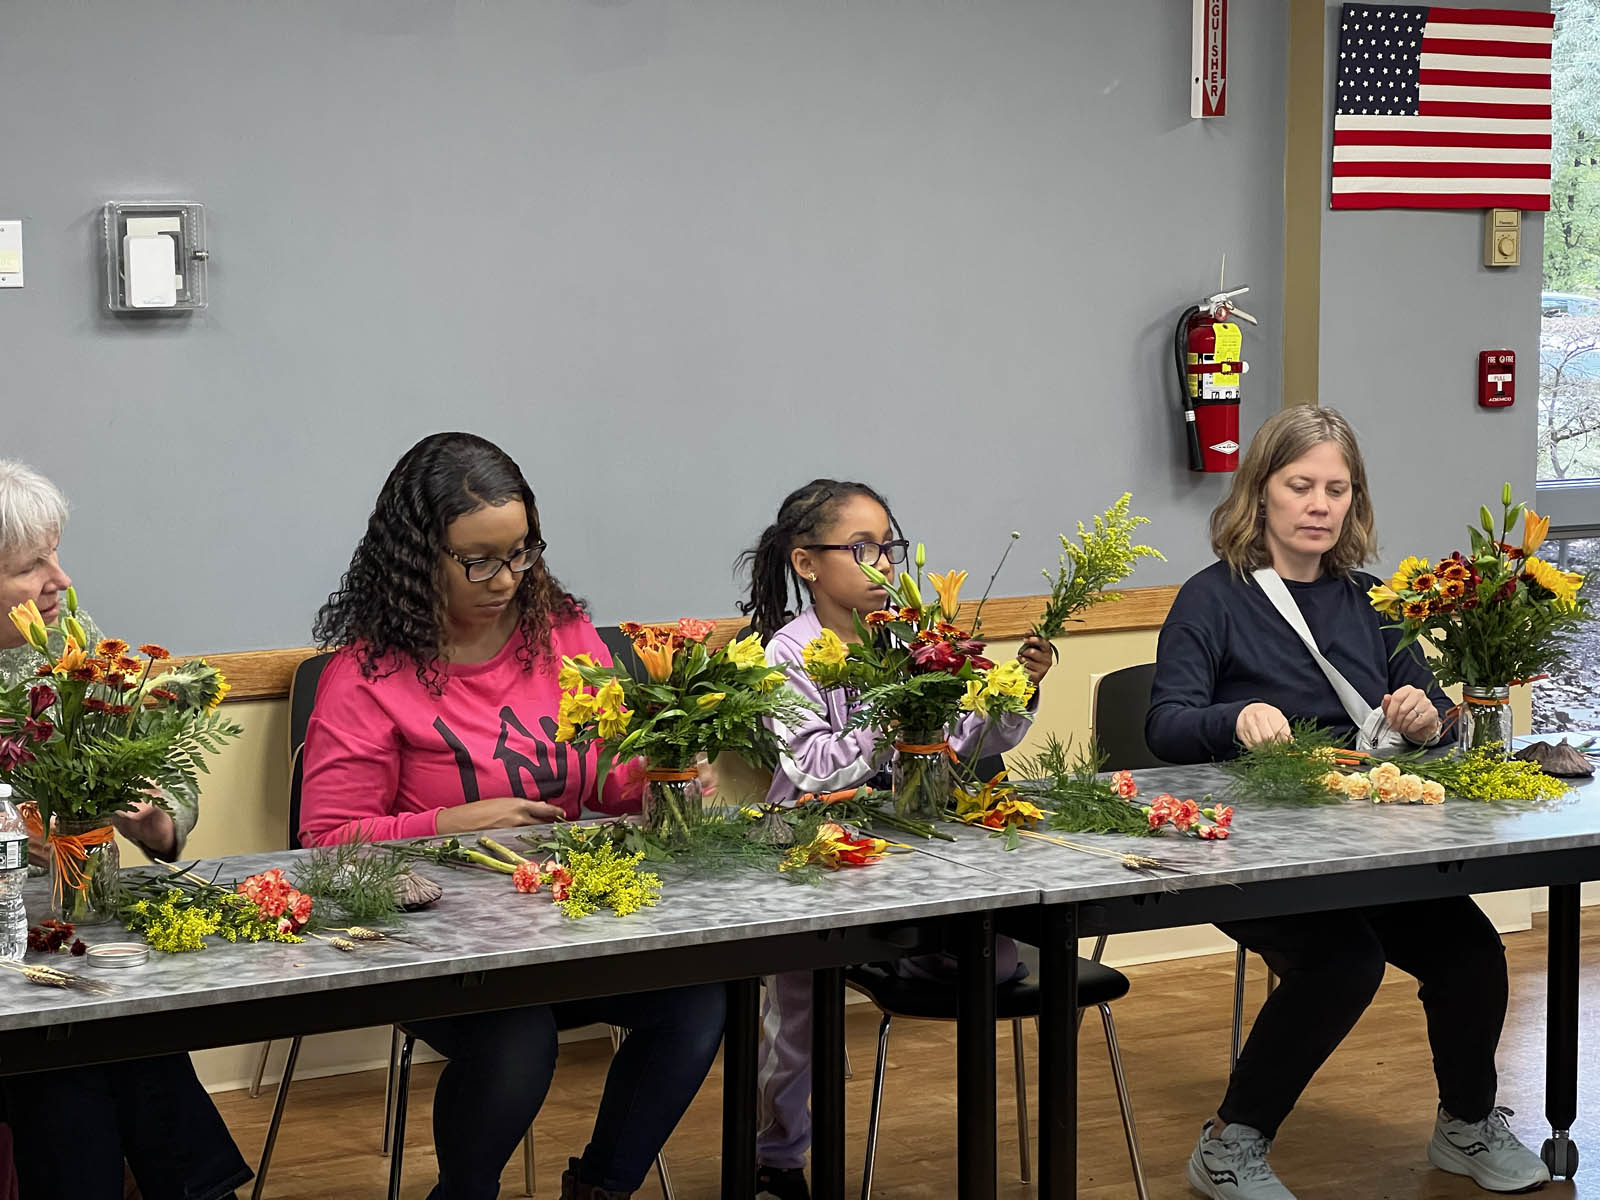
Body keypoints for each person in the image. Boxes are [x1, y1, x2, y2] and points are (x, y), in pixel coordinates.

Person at [299, 431, 725, 1200]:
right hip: (438, 947)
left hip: (562, 923)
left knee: (694, 1001)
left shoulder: (558, 633)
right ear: (419, 556)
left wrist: (668, 777)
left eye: (521, 552)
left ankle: (602, 1187)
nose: (506, 579)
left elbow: (612, 778)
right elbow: (325, 842)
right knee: (516, 1036)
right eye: (479, 560)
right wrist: (450, 823)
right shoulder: (368, 675)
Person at [1144, 408, 1549, 1199]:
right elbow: (1164, 724)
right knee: (1343, 962)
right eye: (1301, 486)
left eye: (1337, 489)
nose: (1319, 505)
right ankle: (1229, 1144)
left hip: (1365, 845)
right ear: (1261, 492)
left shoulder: (1373, 600)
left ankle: (1466, 1126)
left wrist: (1429, 718)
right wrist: (1233, 718)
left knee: (1471, 952)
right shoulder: (1211, 599)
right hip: (1256, 850)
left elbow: (1438, 715)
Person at [735, 478, 1053, 1200]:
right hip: (815, 854)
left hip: (910, 846)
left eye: (889, 547)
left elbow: (968, 739)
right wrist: (893, 711)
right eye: (862, 548)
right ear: (807, 564)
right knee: (798, 1015)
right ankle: (776, 1159)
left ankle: (892, 952)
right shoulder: (789, 652)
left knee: (998, 962)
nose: (883, 564)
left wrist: (1016, 691)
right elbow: (812, 768)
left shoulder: (913, 640)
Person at [0, 458, 250, 1200]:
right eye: (31, 565)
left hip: (74, 937)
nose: (60, 579)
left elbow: (162, 766)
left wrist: (161, 823)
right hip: (16, 968)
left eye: (55, 554)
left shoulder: (70, 646)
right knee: (71, 1058)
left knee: (124, 1030)